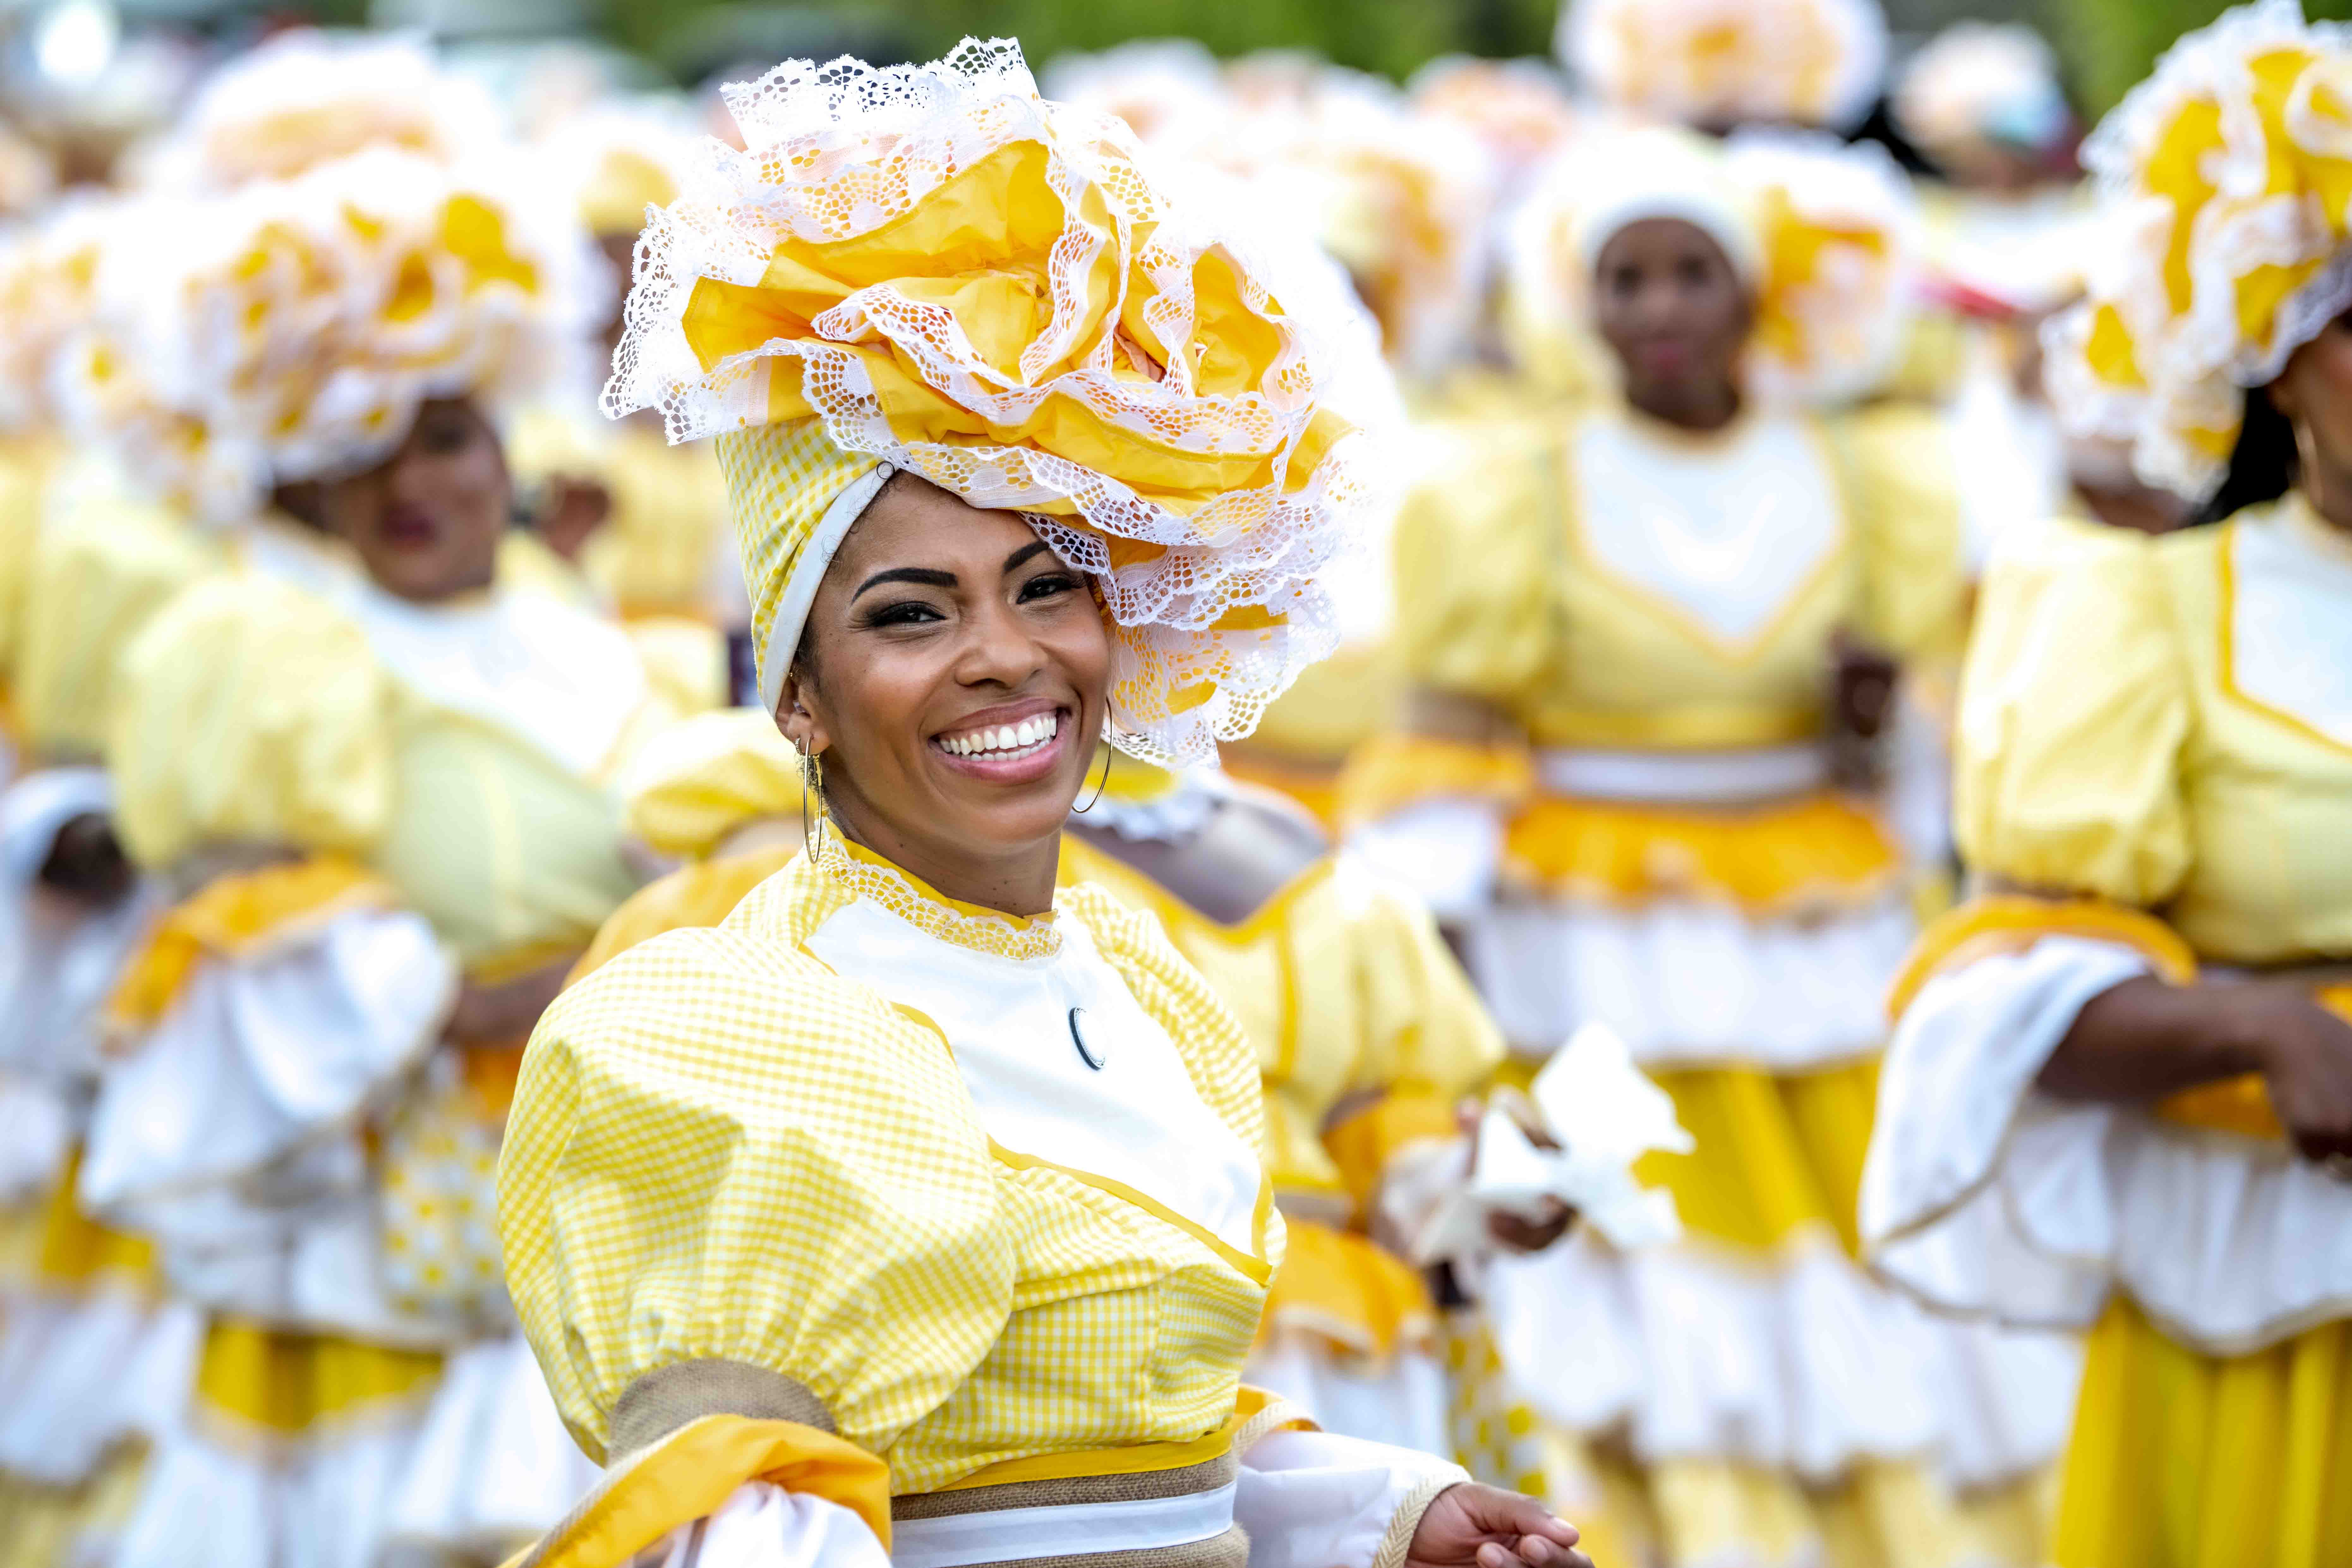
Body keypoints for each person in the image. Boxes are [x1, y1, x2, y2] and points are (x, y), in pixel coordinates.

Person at [503, 39, 1588, 1568]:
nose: (1005, 656)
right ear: (793, 694)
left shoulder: (1138, 975)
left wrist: (1373, 1512)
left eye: (1044, 587)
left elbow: (1104, 1444)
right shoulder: (713, 1032)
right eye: (907, 613)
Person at [1343, 124, 2070, 1568]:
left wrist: (1867, 727)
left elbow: (1917, 758)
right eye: (1625, 280)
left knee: (1841, 1262)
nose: (1658, 309)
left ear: (1754, 298)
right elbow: (1449, 736)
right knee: (1628, 1255)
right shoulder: (1505, 491)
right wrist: (1425, 967)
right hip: (1587, 943)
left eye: (1689, 274)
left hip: (1815, 930)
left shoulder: (1875, 483)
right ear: (1582, 303)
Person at [68, 125, 637, 1568]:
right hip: (396, 1227)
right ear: (304, 484)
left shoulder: (602, 637)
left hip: (614, 1194)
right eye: (360, 450)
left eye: (442, 433)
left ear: (506, 428)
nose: (411, 483)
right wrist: (515, 996)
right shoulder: (274, 654)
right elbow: (247, 926)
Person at [1865, 5, 2352, 1562]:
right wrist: (2263, 1024)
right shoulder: (2137, 609)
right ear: (2268, 353)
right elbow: (1992, 997)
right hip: (2275, 1296)